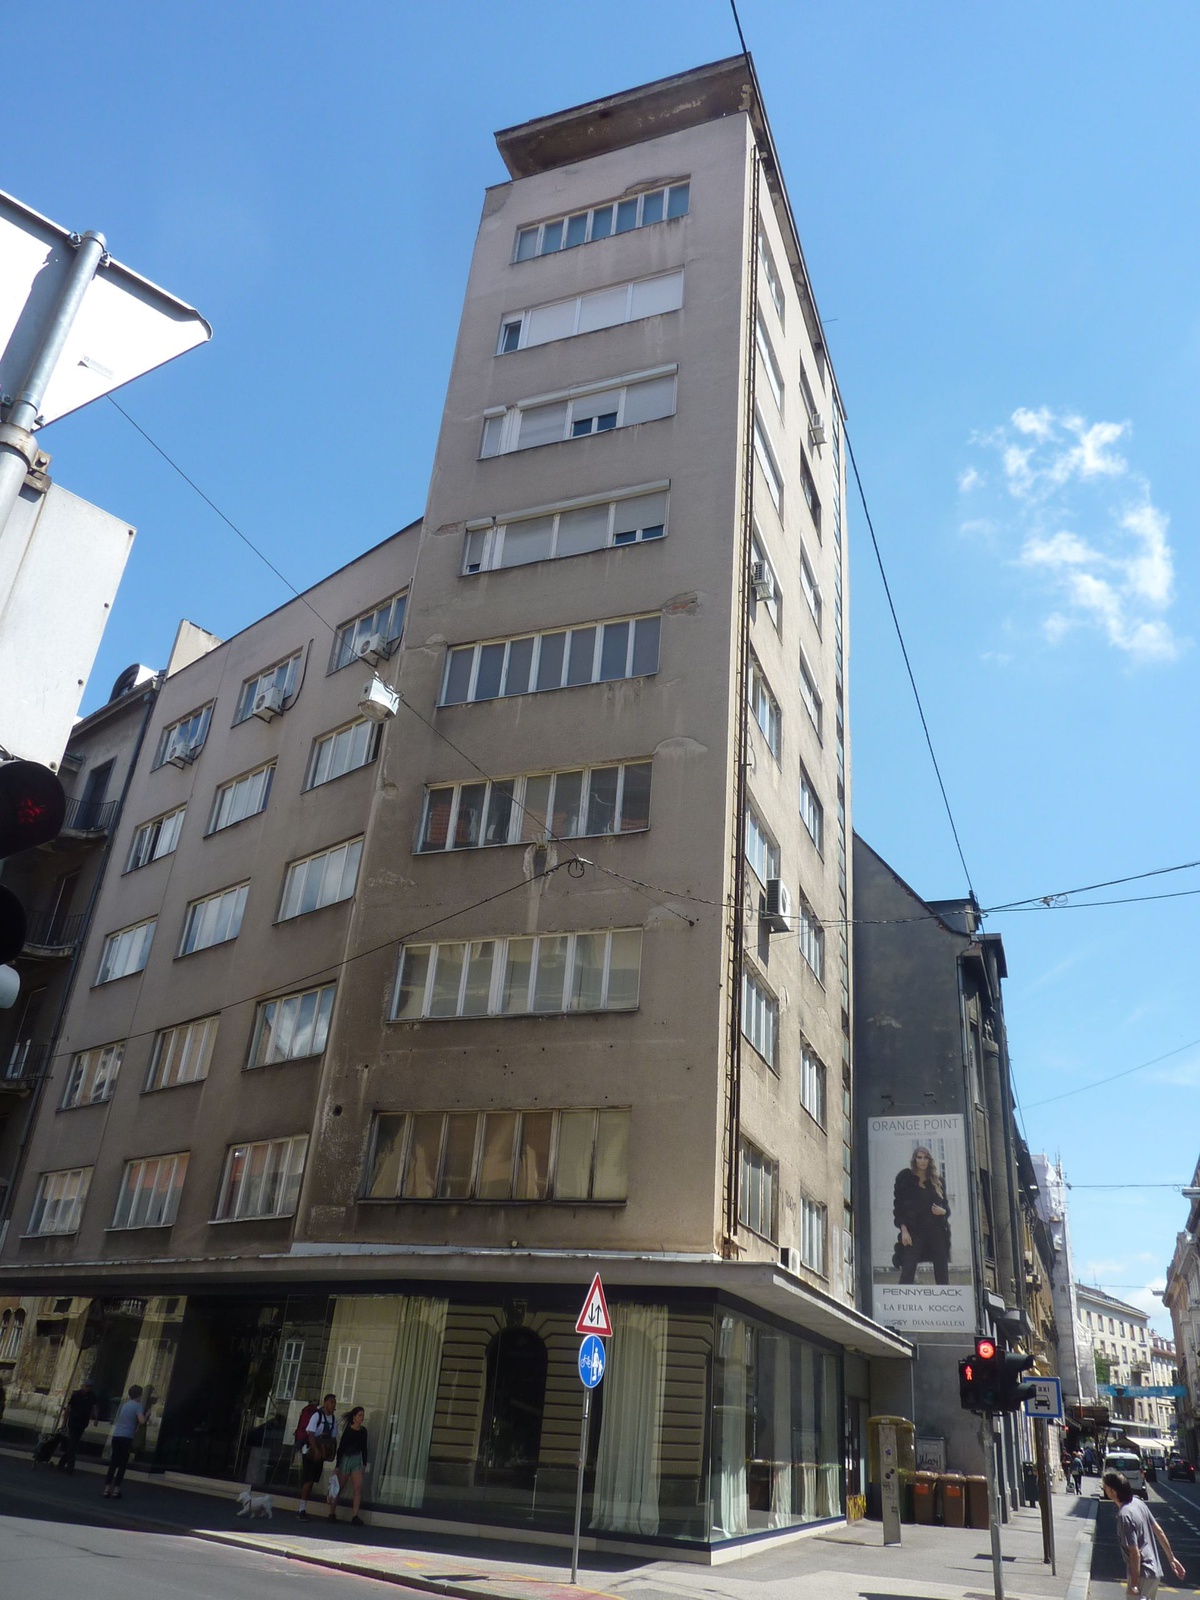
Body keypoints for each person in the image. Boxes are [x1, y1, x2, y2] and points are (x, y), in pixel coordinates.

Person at [1103, 1469, 1185, 1597]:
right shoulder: (1138, 1503)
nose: (1103, 1489)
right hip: (1154, 1573)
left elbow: (1134, 1552)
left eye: (1105, 1487)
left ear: (1113, 1491)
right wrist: (1172, 1558)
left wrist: (1134, 1583)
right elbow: (1159, 1531)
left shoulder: (1124, 1515)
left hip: (1142, 1574)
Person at [893, 1146, 951, 1284]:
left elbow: (946, 1208)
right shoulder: (905, 1179)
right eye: (919, 1157)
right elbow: (899, 1208)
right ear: (915, 1159)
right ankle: (902, 1296)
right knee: (907, 1270)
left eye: (925, 1158)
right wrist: (904, 1231)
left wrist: (943, 1211)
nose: (922, 1161)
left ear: (929, 1160)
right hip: (915, 1231)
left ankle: (945, 1296)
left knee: (942, 1273)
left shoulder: (937, 1181)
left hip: (936, 1231)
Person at [297, 1392, 338, 1520]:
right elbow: (311, 1434)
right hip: (310, 1451)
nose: (333, 1405)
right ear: (325, 1403)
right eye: (331, 1402)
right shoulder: (316, 1416)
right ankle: (301, 1509)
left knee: (313, 1480)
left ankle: (304, 1506)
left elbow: (333, 1438)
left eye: (334, 1403)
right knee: (308, 1480)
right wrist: (316, 1451)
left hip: (321, 1453)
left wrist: (330, 1454)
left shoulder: (333, 1420)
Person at [103, 1384, 147, 1498]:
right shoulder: (138, 1406)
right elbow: (142, 1421)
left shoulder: (125, 1405)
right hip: (127, 1437)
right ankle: (116, 1490)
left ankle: (106, 1488)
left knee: (113, 1463)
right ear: (139, 1395)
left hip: (117, 1435)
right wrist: (147, 1415)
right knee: (122, 1464)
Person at [332, 1406, 369, 1525]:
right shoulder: (348, 1431)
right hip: (346, 1459)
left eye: (363, 1415)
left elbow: (364, 1448)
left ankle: (355, 1515)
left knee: (358, 1488)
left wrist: (364, 1463)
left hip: (357, 1459)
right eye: (359, 1415)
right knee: (340, 1487)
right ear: (354, 1417)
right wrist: (337, 1465)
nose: (362, 1418)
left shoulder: (363, 1431)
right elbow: (341, 1448)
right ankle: (332, 1512)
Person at [58, 1378, 99, 1474]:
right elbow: (68, 1408)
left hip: (83, 1422)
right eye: (86, 1386)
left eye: (89, 1387)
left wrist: (96, 1418)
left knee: (74, 1444)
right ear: (83, 1386)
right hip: (73, 1421)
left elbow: (94, 1407)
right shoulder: (76, 1395)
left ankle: (62, 1463)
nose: (87, 1388)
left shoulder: (92, 1396)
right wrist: (64, 1422)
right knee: (72, 1444)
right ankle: (70, 1467)